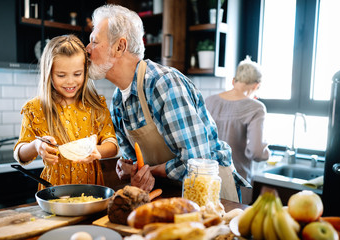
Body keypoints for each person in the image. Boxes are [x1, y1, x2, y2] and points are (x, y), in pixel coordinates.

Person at [86, 4, 250, 201]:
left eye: (94, 42)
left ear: (120, 47)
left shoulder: (162, 84)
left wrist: (152, 171)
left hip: (211, 195)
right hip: (171, 194)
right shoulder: (118, 101)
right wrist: (130, 168)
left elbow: (197, 161)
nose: (87, 50)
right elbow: (137, 163)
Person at [14, 34, 118, 190]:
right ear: (48, 74)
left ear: (85, 71)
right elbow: (19, 153)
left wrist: (97, 151)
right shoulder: (35, 108)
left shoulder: (96, 105)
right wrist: (36, 146)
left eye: (77, 74)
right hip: (53, 191)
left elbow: (112, 145)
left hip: (92, 189)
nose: (70, 81)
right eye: (61, 75)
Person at [205, 56, 270, 204]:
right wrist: (267, 152)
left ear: (233, 81)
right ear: (256, 86)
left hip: (207, 177)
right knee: (233, 223)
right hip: (237, 182)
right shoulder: (256, 107)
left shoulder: (209, 101)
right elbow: (256, 151)